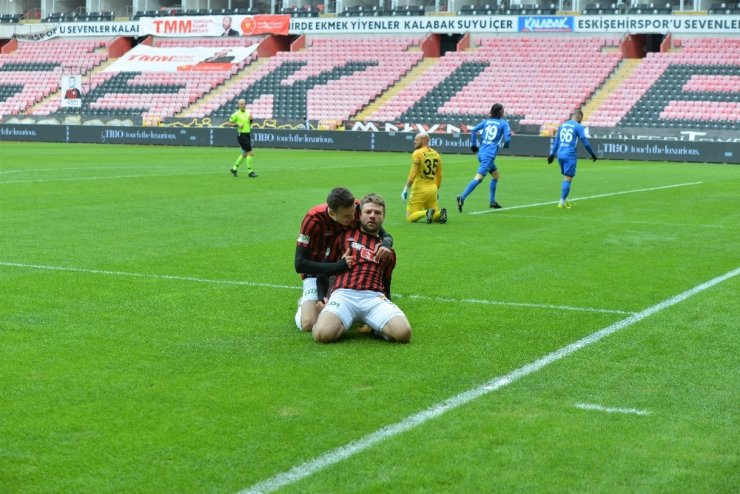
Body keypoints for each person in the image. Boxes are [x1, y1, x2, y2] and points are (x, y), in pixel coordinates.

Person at [312, 193, 412, 343]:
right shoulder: (343, 237)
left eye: (377, 213)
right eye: (368, 212)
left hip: (374, 297)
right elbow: (324, 269)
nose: (372, 216)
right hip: (344, 295)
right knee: (322, 335)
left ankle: (374, 325)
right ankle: (336, 319)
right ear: (359, 215)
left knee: (403, 334)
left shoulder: (388, 251)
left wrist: (388, 304)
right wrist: (322, 297)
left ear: (383, 217)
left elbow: (386, 283)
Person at [294, 187, 393, 332]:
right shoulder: (313, 220)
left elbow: (384, 234)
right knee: (309, 324)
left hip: (346, 268)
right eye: (347, 217)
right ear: (332, 213)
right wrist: (337, 266)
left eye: (354, 214)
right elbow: (299, 264)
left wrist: (386, 244)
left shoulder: (356, 208)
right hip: (317, 271)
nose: (353, 219)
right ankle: (305, 303)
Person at [456, 103, 511, 212]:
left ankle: (492, 201)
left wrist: (473, 144)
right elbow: (508, 139)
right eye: (503, 110)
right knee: (478, 178)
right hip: (488, 156)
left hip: (482, 153)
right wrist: (506, 145)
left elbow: (473, 130)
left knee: (496, 176)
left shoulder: (486, 122)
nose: (504, 112)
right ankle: (462, 197)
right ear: (500, 112)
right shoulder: (503, 123)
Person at [547, 109, 597, 209]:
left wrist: (552, 155)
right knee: (567, 178)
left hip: (560, 154)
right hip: (570, 155)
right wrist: (592, 153)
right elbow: (585, 142)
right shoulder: (578, 127)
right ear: (579, 117)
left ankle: (565, 200)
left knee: (565, 177)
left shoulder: (563, 125)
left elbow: (557, 141)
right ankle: (561, 202)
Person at [401, 131, 447, 224]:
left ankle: (427, 212)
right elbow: (439, 175)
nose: (414, 141)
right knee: (434, 214)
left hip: (420, 189)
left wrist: (405, 189)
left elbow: (412, 174)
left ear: (424, 141)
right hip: (432, 189)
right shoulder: (436, 154)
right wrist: (437, 189)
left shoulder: (417, 153)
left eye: (416, 140)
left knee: (409, 217)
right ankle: (440, 214)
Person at [228, 99, 257, 178]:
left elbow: (249, 123)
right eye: (241, 104)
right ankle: (250, 171)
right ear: (238, 105)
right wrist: (237, 125)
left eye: (244, 104)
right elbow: (229, 123)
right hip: (241, 136)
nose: (243, 105)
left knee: (244, 154)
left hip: (247, 134)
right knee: (250, 153)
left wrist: (251, 120)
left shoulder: (248, 112)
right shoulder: (236, 114)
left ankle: (234, 168)